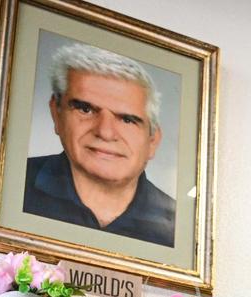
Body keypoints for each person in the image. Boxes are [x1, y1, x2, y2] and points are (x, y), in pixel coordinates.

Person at [24, 43, 176, 248]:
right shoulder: (14, 185)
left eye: (127, 120)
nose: (105, 132)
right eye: (85, 109)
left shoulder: (177, 228)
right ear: (56, 114)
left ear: (152, 141)